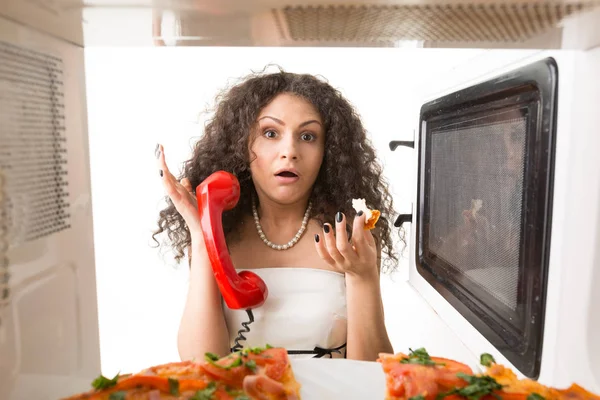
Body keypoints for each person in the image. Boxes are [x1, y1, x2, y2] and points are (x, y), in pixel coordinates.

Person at [152, 67, 401, 362]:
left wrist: (363, 276)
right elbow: (201, 365)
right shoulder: (219, 233)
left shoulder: (350, 237)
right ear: (244, 145)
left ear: (328, 151)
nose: (290, 151)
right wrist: (202, 232)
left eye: (307, 136)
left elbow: (371, 376)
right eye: (271, 133)